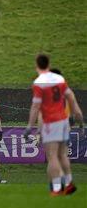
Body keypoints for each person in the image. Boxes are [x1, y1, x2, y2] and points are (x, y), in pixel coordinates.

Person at [24, 54, 83, 196]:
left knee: (52, 156)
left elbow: (35, 107)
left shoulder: (39, 82)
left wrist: (29, 127)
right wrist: (80, 120)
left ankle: (56, 189)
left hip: (51, 122)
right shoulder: (60, 79)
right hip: (63, 121)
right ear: (48, 63)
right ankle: (68, 183)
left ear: (37, 65)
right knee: (62, 155)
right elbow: (72, 99)